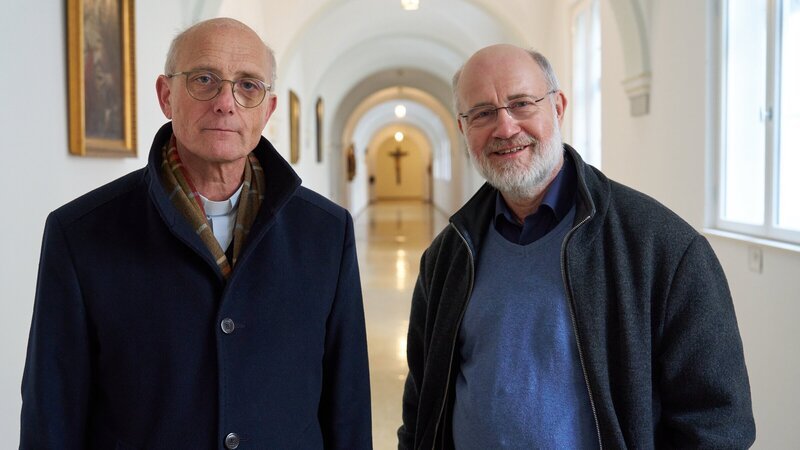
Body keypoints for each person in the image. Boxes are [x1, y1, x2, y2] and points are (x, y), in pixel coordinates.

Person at [21, 18, 371, 449]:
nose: (227, 102)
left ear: (268, 110)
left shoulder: (326, 233)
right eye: (204, 79)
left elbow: (348, 407)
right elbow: (51, 417)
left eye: (248, 86)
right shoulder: (80, 234)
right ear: (166, 96)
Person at [398, 44, 755, 449]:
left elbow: (717, 425)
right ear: (463, 129)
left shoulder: (663, 249)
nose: (505, 128)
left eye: (521, 104)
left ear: (558, 107)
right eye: (482, 113)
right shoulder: (448, 257)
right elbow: (421, 407)